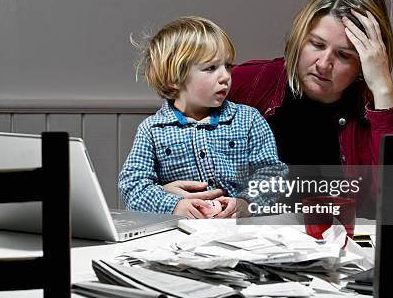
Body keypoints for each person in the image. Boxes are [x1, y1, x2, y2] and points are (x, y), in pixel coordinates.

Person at [165, 0, 393, 217]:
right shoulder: (244, 84)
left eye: (344, 55)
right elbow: (165, 166)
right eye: (317, 44)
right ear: (300, 37)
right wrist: (167, 192)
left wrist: (382, 89)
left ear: (366, 62)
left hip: (345, 253)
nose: (324, 64)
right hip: (248, 248)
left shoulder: (389, 106)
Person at [119, 16, 287, 219]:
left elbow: (272, 174)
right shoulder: (152, 130)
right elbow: (133, 186)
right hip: (178, 234)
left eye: (227, 66)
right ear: (174, 78)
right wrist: (174, 205)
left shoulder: (249, 120)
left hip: (240, 233)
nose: (225, 76)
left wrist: (245, 203)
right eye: (210, 68)